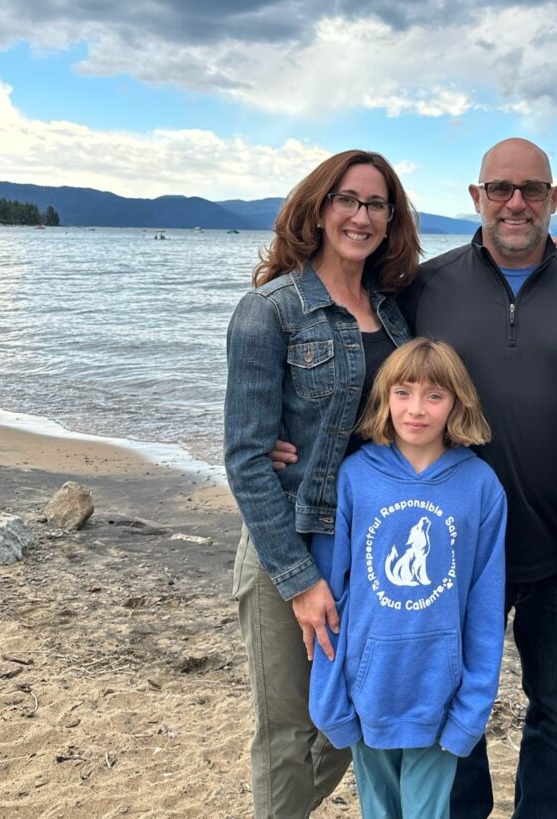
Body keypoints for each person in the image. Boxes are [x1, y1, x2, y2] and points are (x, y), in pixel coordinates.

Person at [271, 137, 557, 818]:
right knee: (449, 703)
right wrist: (286, 433)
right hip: (450, 547)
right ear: (476, 197)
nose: (516, 202)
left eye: (532, 189)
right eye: (500, 188)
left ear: (555, 200)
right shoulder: (423, 288)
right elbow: (376, 376)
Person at [224, 149, 420, 817]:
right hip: (288, 547)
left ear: (391, 219)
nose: (361, 216)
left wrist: (555, 256)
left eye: (375, 204)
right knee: (286, 733)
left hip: (365, 554)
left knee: (346, 723)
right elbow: (247, 458)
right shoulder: (271, 310)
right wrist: (298, 579)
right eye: (347, 199)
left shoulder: (396, 316)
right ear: (319, 205)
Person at [308, 338, 507, 819]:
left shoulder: (480, 486)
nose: (417, 409)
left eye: (435, 396)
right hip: (368, 691)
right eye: (403, 393)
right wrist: (328, 702)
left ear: (457, 403)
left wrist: (472, 708)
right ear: (385, 399)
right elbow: (331, 598)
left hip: (438, 696)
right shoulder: (355, 477)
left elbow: (485, 607)